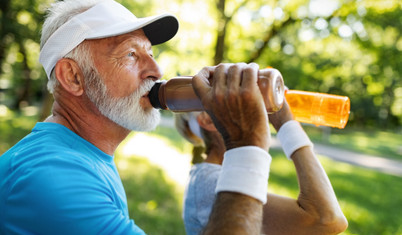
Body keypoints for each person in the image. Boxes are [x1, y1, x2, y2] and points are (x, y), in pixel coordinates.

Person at [0, 0, 279, 234]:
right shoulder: (52, 177)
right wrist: (247, 145)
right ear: (73, 77)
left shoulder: (80, 154)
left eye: (151, 53)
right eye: (131, 54)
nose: (156, 70)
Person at [176, 99, 349, 234]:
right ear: (208, 120)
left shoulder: (212, 176)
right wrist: (286, 124)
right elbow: (327, 219)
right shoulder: (211, 182)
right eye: (233, 99)